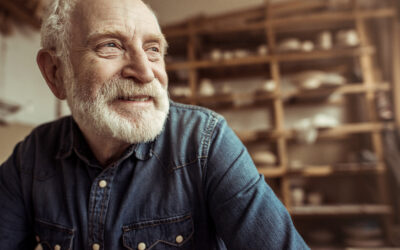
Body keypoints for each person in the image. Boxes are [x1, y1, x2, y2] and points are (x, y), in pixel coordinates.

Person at [0, 0, 309, 249]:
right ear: (55, 72)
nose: (145, 73)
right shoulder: (32, 156)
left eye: (153, 49)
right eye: (111, 45)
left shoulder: (205, 142)